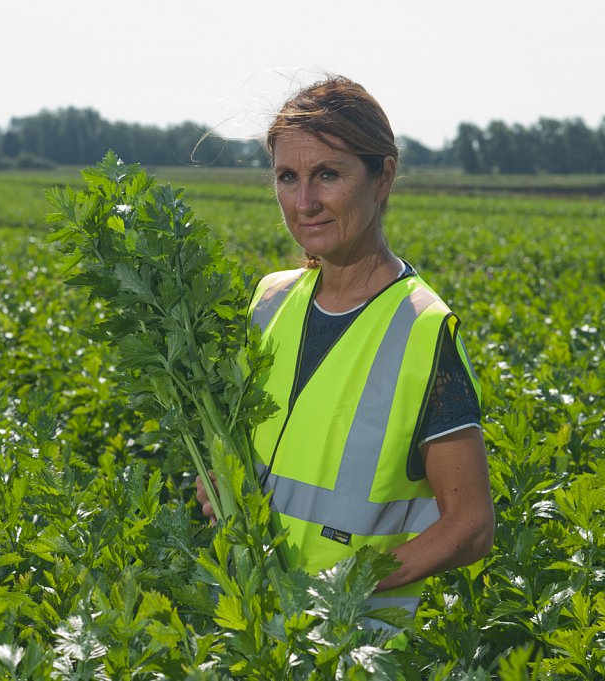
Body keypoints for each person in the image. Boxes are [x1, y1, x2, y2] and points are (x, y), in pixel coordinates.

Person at [196, 75, 495, 616]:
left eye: (327, 175)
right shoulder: (268, 301)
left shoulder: (423, 329)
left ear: (383, 178)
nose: (304, 202)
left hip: (350, 644)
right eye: (288, 177)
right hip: (253, 624)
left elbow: (470, 526)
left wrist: (351, 587)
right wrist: (220, 482)